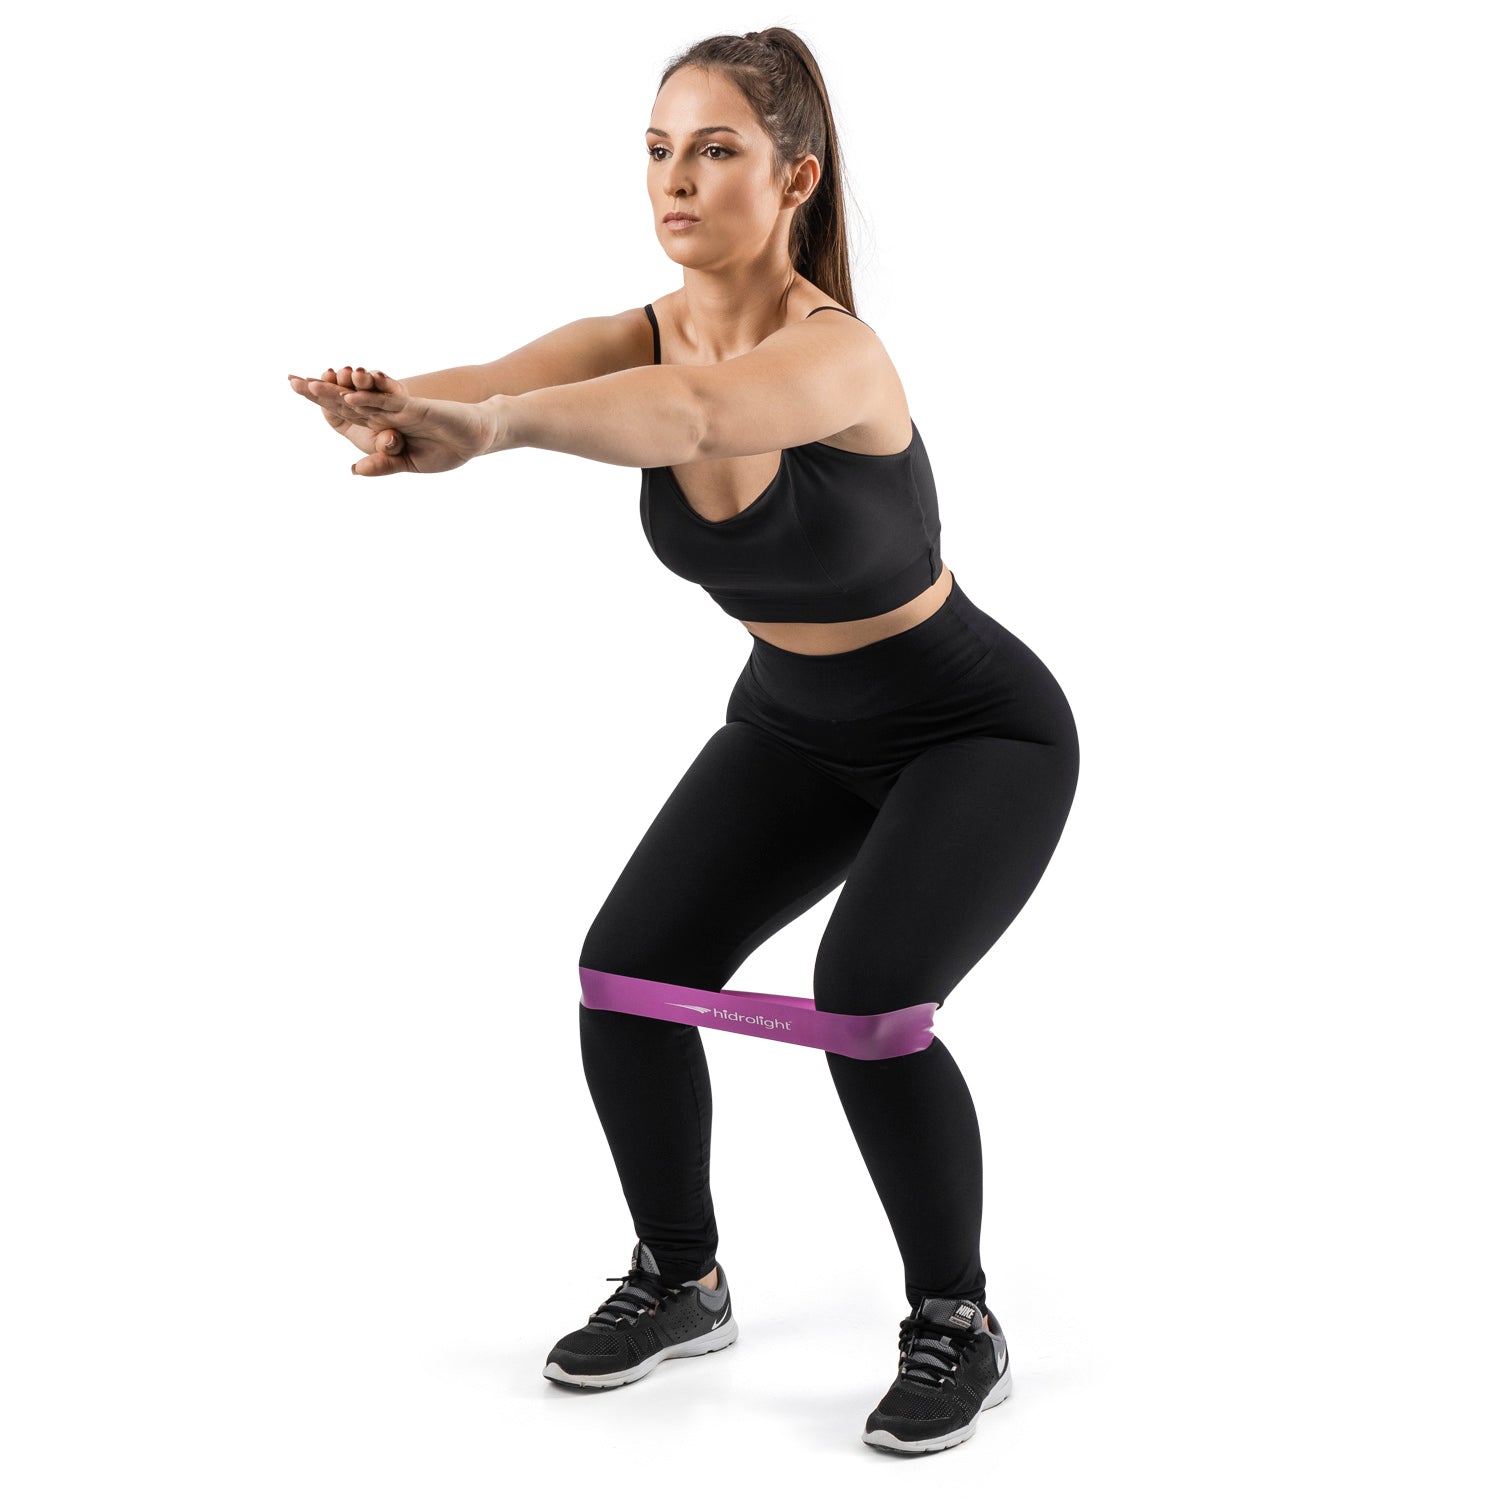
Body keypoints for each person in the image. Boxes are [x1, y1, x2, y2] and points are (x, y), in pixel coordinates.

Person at [286, 26, 1080, 1456]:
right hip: (792, 721)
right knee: (631, 972)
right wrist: (403, 408)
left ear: (795, 179)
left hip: (972, 728)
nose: (677, 179)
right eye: (659, 150)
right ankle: (680, 1278)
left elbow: (696, 414)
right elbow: (499, 375)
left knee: (867, 1001)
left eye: (716, 150)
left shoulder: (837, 355)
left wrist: (498, 429)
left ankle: (957, 1321)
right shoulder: (633, 334)